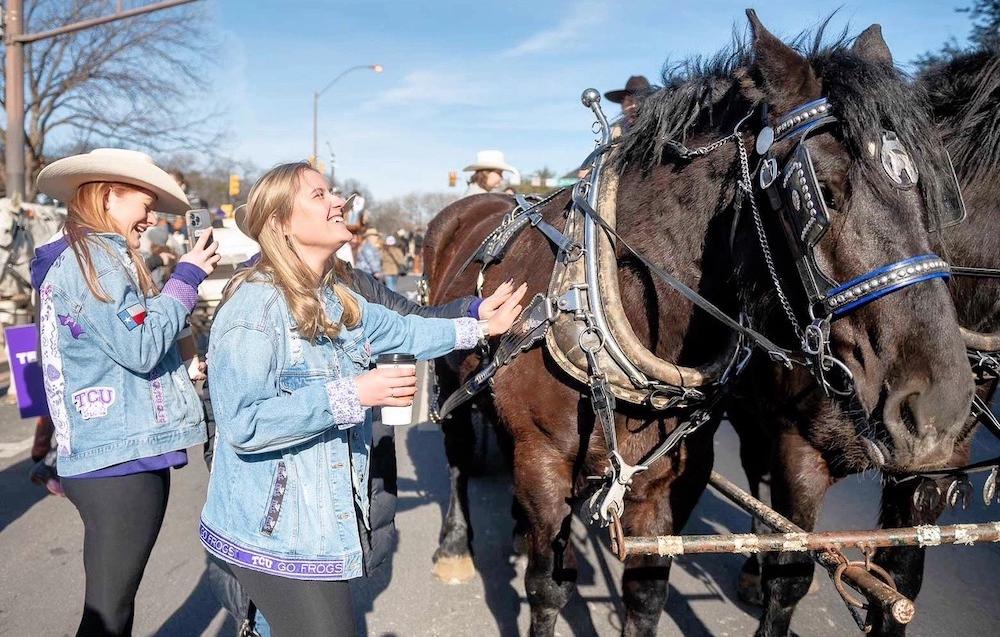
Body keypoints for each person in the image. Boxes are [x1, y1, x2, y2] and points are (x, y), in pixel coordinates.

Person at [200, 161, 526, 635]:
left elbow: (407, 326)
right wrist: (352, 393)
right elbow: (243, 426)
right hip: (273, 537)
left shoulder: (335, 298)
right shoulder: (254, 307)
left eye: (334, 191)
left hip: (317, 529)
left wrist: (480, 324)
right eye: (319, 195)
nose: (339, 201)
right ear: (280, 223)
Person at [29, 148, 220, 636]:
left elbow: (113, 352)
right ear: (109, 194)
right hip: (117, 458)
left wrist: (182, 368)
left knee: (112, 609)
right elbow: (138, 345)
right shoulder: (95, 258)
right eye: (146, 201)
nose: (152, 216)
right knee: (108, 615)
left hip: (109, 451)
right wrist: (188, 277)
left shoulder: (84, 255)